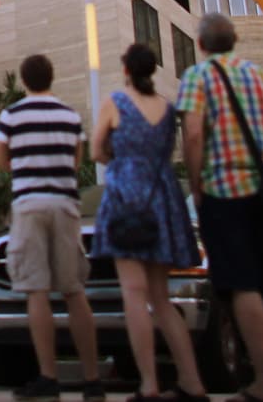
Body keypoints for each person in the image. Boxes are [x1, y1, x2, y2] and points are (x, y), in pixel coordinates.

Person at [175, 13, 263, 402]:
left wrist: (199, 185)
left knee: (243, 285)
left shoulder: (198, 78)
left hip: (225, 189)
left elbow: (193, 134)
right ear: (234, 39)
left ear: (201, 44)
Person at [91, 44, 206, 402]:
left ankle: (149, 385)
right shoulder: (168, 107)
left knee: (134, 296)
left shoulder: (116, 102)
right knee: (162, 298)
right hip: (163, 199)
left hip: (127, 197)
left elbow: (96, 151)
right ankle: (192, 382)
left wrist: (120, 157)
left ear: (126, 69)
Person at [0, 54, 105, 402]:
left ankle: (48, 377)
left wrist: (25, 165)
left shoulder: (11, 115)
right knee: (74, 290)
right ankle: (92, 380)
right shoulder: (69, 115)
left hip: (29, 205)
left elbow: (1, 159)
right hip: (65, 205)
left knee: (37, 291)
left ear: (25, 81)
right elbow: (77, 160)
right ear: (51, 78)